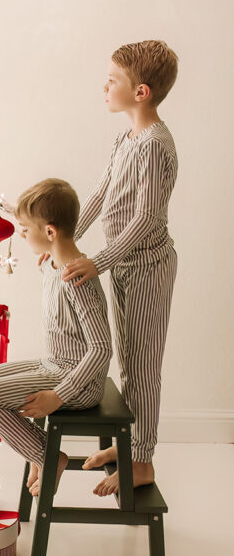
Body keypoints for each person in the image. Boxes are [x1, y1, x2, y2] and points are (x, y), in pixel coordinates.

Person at [61, 40, 178, 496]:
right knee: (128, 363)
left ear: (141, 91)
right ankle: (128, 446)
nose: (105, 87)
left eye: (114, 81)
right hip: (125, 268)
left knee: (142, 369)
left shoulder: (153, 146)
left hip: (147, 268)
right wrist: (69, 242)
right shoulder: (125, 139)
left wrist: (99, 261)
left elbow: (147, 218)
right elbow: (100, 194)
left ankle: (142, 461)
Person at [0, 179, 112, 497]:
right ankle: (37, 451)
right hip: (51, 363)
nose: (21, 234)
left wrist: (60, 395)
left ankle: (47, 456)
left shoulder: (77, 280)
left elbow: (102, 349)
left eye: (24, 229)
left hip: (77, 381)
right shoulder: (51, 262)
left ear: (50, 232)